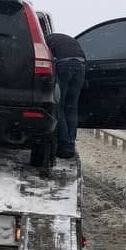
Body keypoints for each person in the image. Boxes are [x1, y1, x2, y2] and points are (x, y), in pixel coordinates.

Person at [46, 30, 86, 160]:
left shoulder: (45, 40)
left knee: (60, 107)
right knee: (72, 107)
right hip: (81, 64)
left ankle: (63, 146)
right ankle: (71, 143)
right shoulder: (65, 39)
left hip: (64, 64)